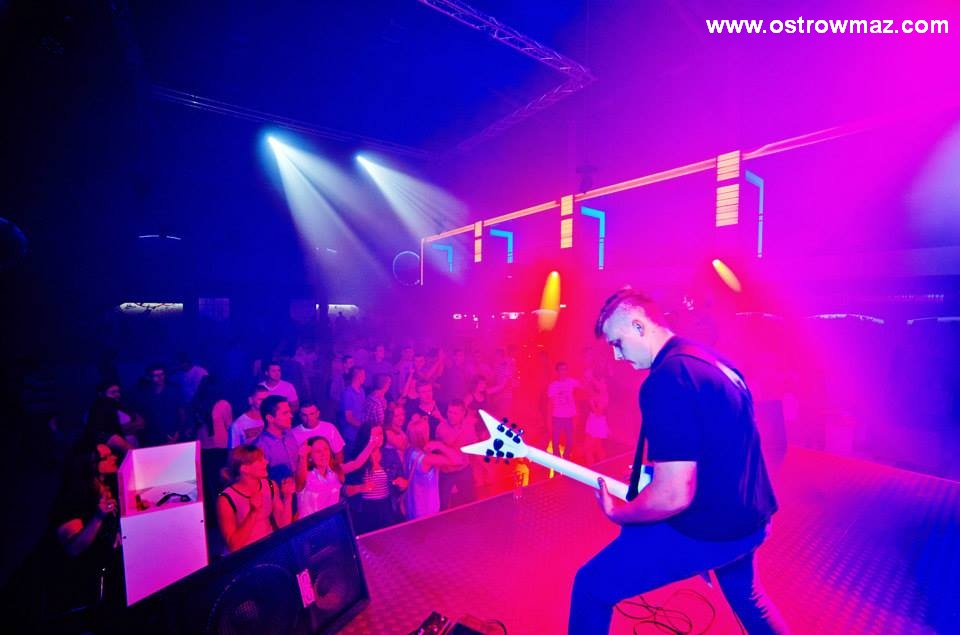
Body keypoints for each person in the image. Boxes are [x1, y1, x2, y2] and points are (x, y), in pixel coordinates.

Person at [568, 288, 788, 634]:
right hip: (752, 517)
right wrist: (658, 472)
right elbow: (725, 444)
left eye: (617, 343)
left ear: (639, 326)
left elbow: (673, 497)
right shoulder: (709, 359)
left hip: (714, 528)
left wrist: (619, 512)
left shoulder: (667, 380)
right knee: (747, 596)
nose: (616, 356)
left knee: (591, 587)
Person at [48, 444, 123, 627]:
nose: (114, 457)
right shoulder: (72, 499)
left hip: (109, 563)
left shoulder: (106, 485)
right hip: (86, 579)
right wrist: (98, 517)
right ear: (89, 465)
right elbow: (74, 548)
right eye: (107, 457)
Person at [217, 445, 295, 553]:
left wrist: (288, 498)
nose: (266, 462)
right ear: (245, 469)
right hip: (245, 554)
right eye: (260, 460)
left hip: (268, 547)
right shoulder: (226, 499)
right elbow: (234, 546)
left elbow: (283, 525)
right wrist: (253, 512)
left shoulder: (271, 485)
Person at [404, 414, 462, 520]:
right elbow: (458, 460)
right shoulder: (427, 459)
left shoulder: (409, 451)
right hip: (426, 510)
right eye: (427, 430)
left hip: (413, 507)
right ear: (423, 435)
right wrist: (440, 445)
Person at [254, 395, 307, 490]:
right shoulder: (260, 446)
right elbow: (260, 482)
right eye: (285, 413)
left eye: (289, 412)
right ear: (270, 418)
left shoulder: (289, 435)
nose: (291, 416)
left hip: (297, 491)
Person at [547, 362, 580, 459]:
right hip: (557, 416)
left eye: (565, 369)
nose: (564, 371)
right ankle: (557, 462)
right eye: (562, 369)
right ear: (557, 371)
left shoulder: (572, 382)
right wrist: (548, 420)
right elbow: (550, 403)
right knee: (555, 441)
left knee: (570, 441)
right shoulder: (553, 385)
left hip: (569, 417)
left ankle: (565, 459)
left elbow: (583, 388)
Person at [228, 384, 269, 449]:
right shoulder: (238, 425)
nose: (265, 403)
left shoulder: (270, 418)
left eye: (267, 400)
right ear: (250, 400)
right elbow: (233, 452)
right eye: (261, 399)